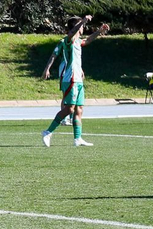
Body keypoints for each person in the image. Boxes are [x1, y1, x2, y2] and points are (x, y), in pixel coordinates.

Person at [41, 15, 109, 147]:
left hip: (78, 79)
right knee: (69, 109)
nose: (83, 28)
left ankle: (78, 139)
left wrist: (99, 31)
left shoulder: (78, 42)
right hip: (70, 79)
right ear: (77, 27)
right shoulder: (68, 40)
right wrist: (83, 21)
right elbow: (68, 37)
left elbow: (88, 40)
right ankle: (47, 132)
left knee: (79, 109)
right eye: (82, 26)